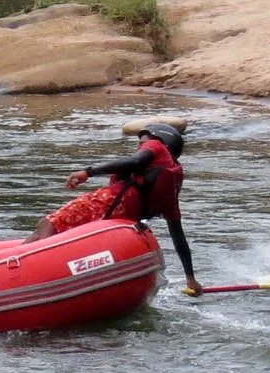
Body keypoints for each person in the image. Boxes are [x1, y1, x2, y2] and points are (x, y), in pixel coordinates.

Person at [37, 122, 201, 295]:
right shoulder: (170, 187)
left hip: (108, 203)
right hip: (121, 224)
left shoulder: (156, 145)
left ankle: (31, 270)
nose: (140, 146)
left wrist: (88, 172)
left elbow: (135, 161)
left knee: (47, 225)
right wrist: (190, 278)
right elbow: (178, 236)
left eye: (141, 143)